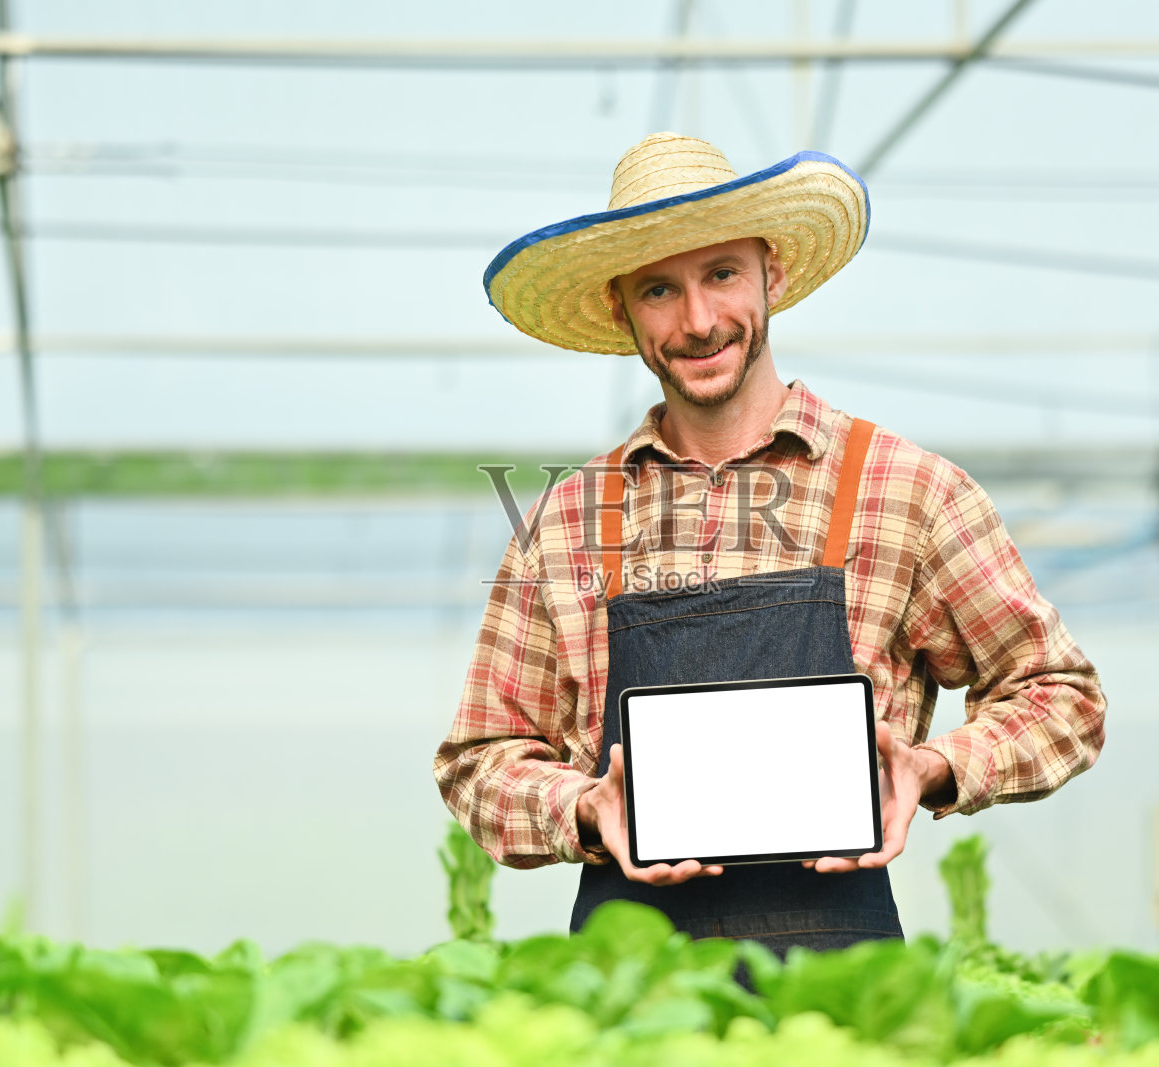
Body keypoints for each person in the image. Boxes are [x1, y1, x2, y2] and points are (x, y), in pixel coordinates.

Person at [434, 132, 1106, 954]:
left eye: (722, 274)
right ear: (621, 310)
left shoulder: (905, 488)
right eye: (658, 289)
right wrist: (583, 804)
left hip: (839, 999)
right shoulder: (568, 522)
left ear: (772, 274)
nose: (699, 320)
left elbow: (1061, 695)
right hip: (633, 1003)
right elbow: (479, 758)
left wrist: (933, 766)